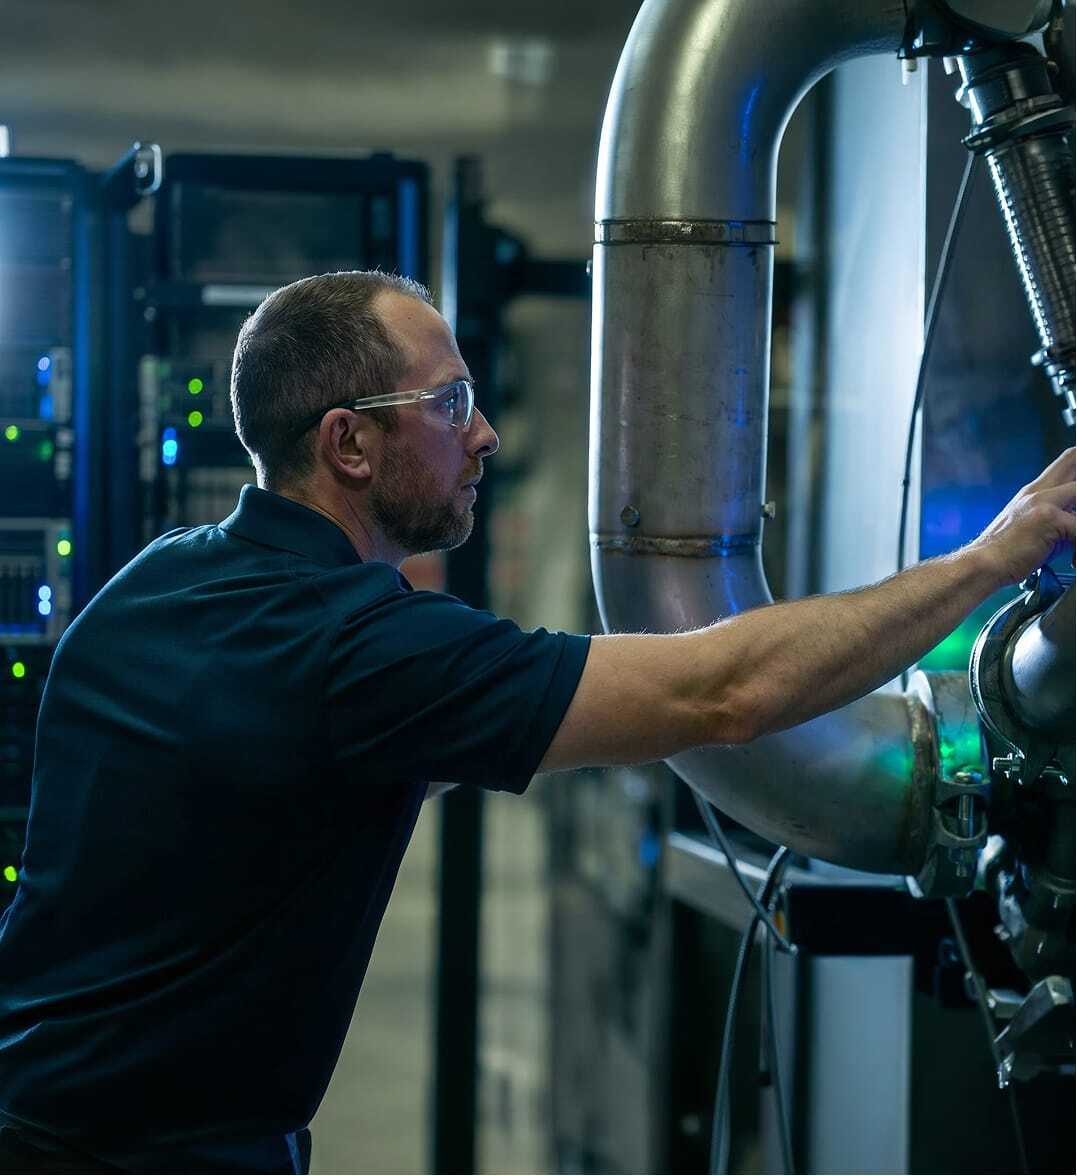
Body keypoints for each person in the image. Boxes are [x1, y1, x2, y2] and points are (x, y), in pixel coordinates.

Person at [0, 269, 1072, 1175]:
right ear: (350, 444)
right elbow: (722, 694)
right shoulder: (352, 654)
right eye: (450, 401)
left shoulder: (156, 585)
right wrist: (992, 556)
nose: (486, 434)